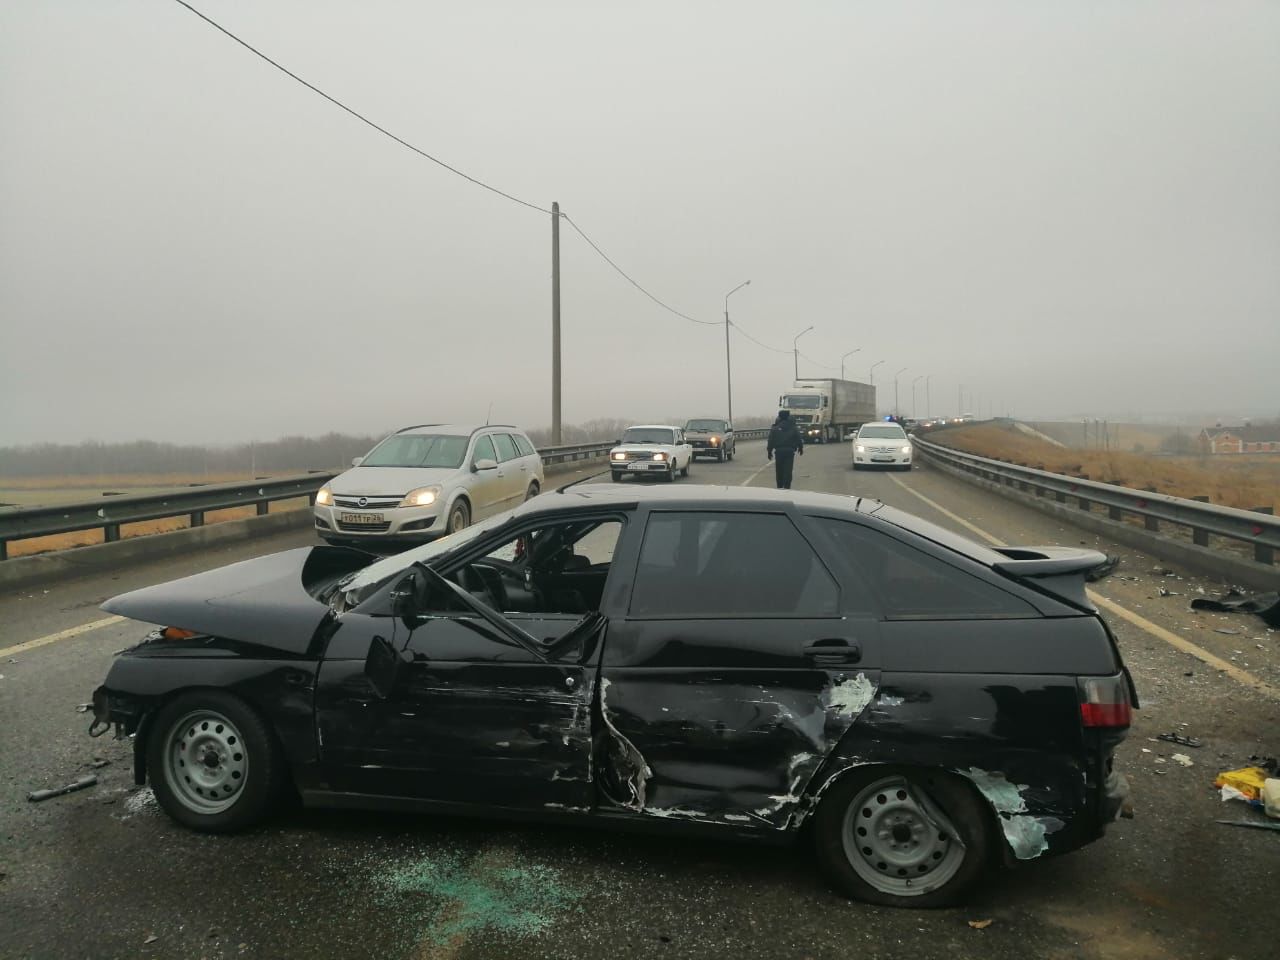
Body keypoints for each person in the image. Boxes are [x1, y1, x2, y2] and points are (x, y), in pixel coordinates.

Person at [766, 410, 804, 489]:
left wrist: (769, 452)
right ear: (788, 416)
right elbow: (798, 438)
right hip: (790, 452)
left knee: (779, 470)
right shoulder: (793, 427)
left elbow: (770, 440)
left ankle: (779, 486)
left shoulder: (775, 428)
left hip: (779, 452)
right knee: (788, 470)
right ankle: (787, 487)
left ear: (779, 417)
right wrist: (800, 448)